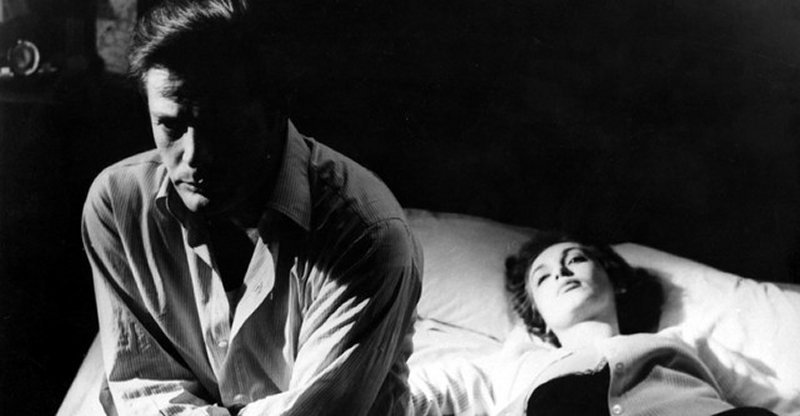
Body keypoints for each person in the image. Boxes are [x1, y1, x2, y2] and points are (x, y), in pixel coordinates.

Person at [81, 1, 422, 415]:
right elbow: (145, 391)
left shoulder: (366, 235)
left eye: (221, 126)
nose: (195, 156)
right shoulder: (119, 207)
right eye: (170, 125)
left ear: (276, 110)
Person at [497, 231, 778, 416]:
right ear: (538, 317)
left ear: (614, 280)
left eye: (576, 259)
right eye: (543, 278)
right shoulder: (530, 370)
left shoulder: (684, 340)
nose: (561, 272)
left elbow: (775, 402)